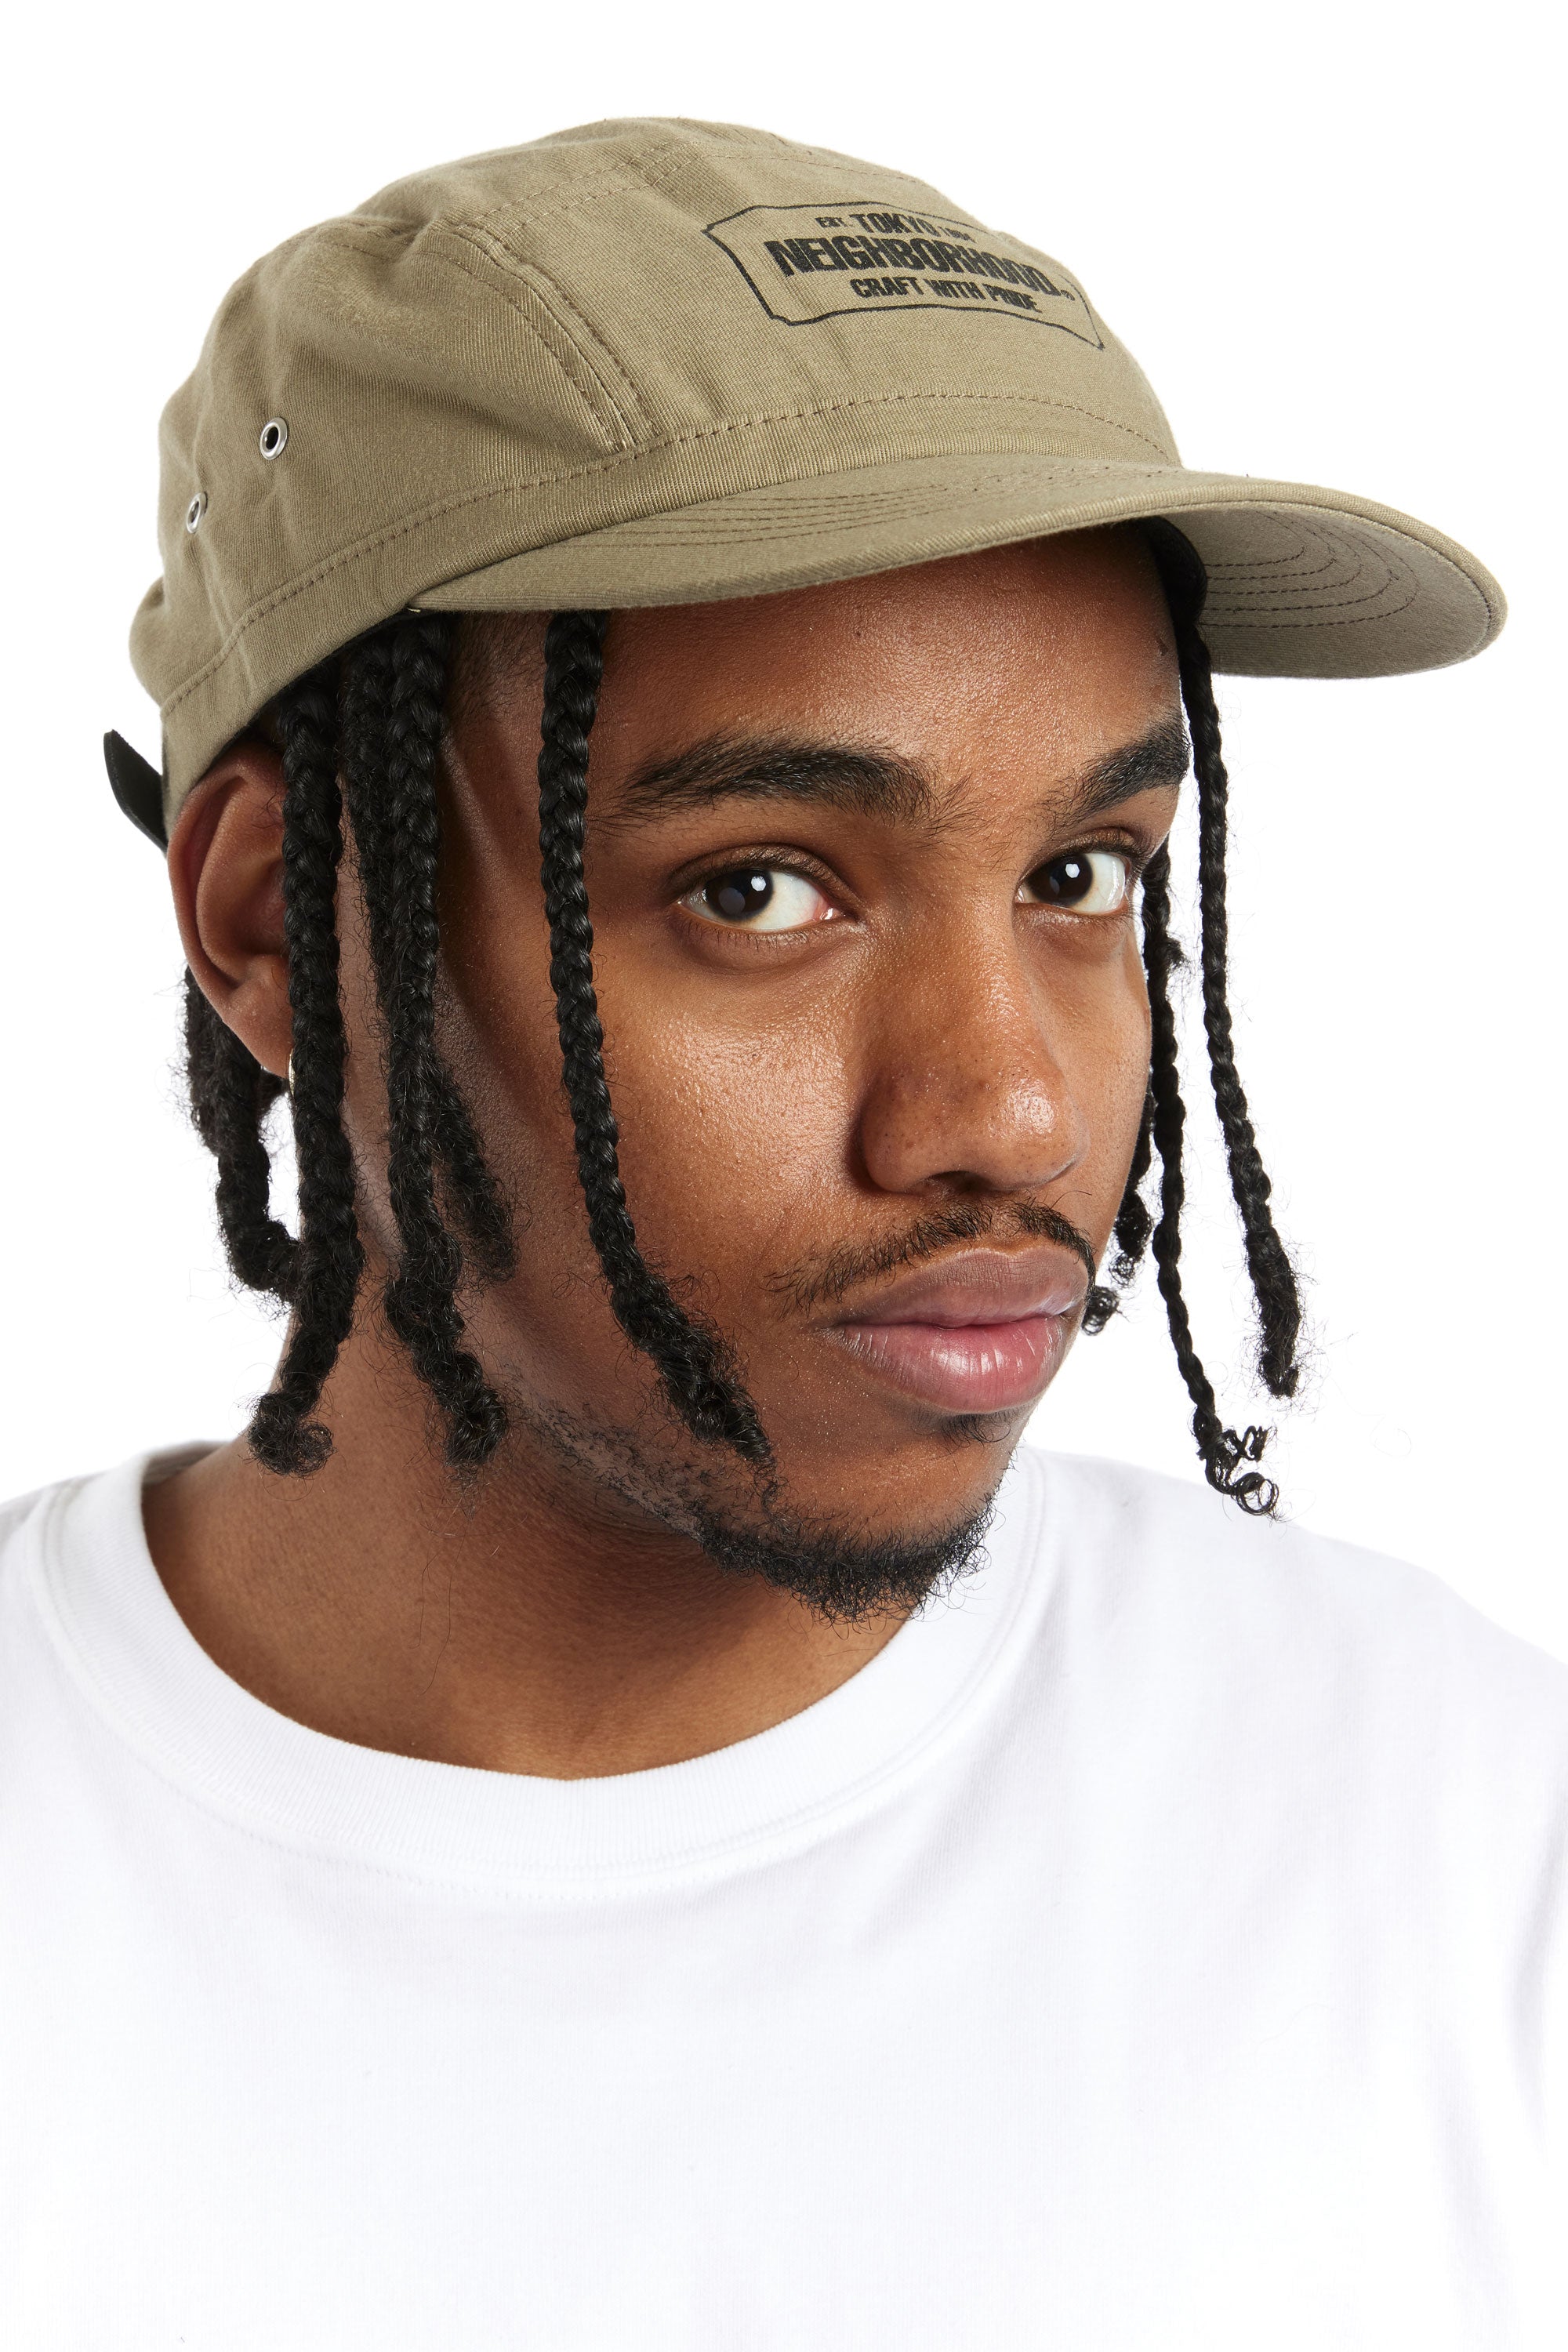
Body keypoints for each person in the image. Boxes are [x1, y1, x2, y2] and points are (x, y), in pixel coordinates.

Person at [2, 117, 1562, 2350]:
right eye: (759, 890)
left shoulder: (1457, 1844)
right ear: (276, 920)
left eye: (1084, 877)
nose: (1009, 1111)